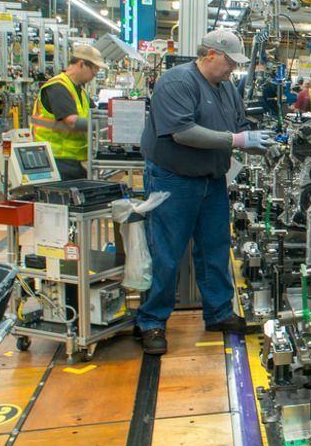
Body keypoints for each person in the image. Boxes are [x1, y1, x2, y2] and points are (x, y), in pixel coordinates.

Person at [137, 29, 270, 354]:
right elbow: (182, 132)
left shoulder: (226, 89)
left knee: (215, 247)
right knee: (166, 252)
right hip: (173, 180)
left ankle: (219, 312)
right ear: (210, 54)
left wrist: (261, 144)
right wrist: (235, 141)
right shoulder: (177, 82)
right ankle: (152, 321)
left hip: (211, 180)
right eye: (229, 62)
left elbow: (238, 128)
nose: (232, 70)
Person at [30, 44, 107, 180]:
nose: (93, 77)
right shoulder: (58, 87)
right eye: (94, 72)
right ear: (81, 64)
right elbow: (72, 121)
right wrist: (106, 125)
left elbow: (96, 113)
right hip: (56, 160)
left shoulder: (80, 91)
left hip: (72, 160)